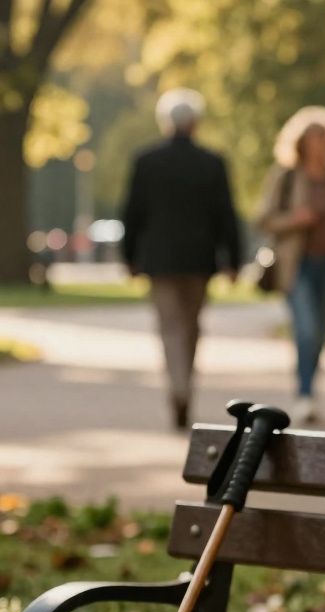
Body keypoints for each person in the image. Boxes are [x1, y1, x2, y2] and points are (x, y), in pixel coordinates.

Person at [121, 88, 241, 429]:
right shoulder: (211, 162)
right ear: (195, 123)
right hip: (199, 260)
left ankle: (179, 385)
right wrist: (232, 259)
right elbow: (226, 216)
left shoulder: (147, 162)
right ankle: (184, 383)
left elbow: (133, 213)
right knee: (190, 327)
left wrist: (129, 257)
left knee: (170, 328)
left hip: (161, 261)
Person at [254, 106, 325, 423]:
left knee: (322, 333)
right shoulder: (286, 176)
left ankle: (309, 383)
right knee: (306, 329)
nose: (321, 143)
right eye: (315, 137)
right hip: (297, 266)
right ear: (302, 142)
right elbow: (263, 218)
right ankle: (305, 393)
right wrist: (295, 219)